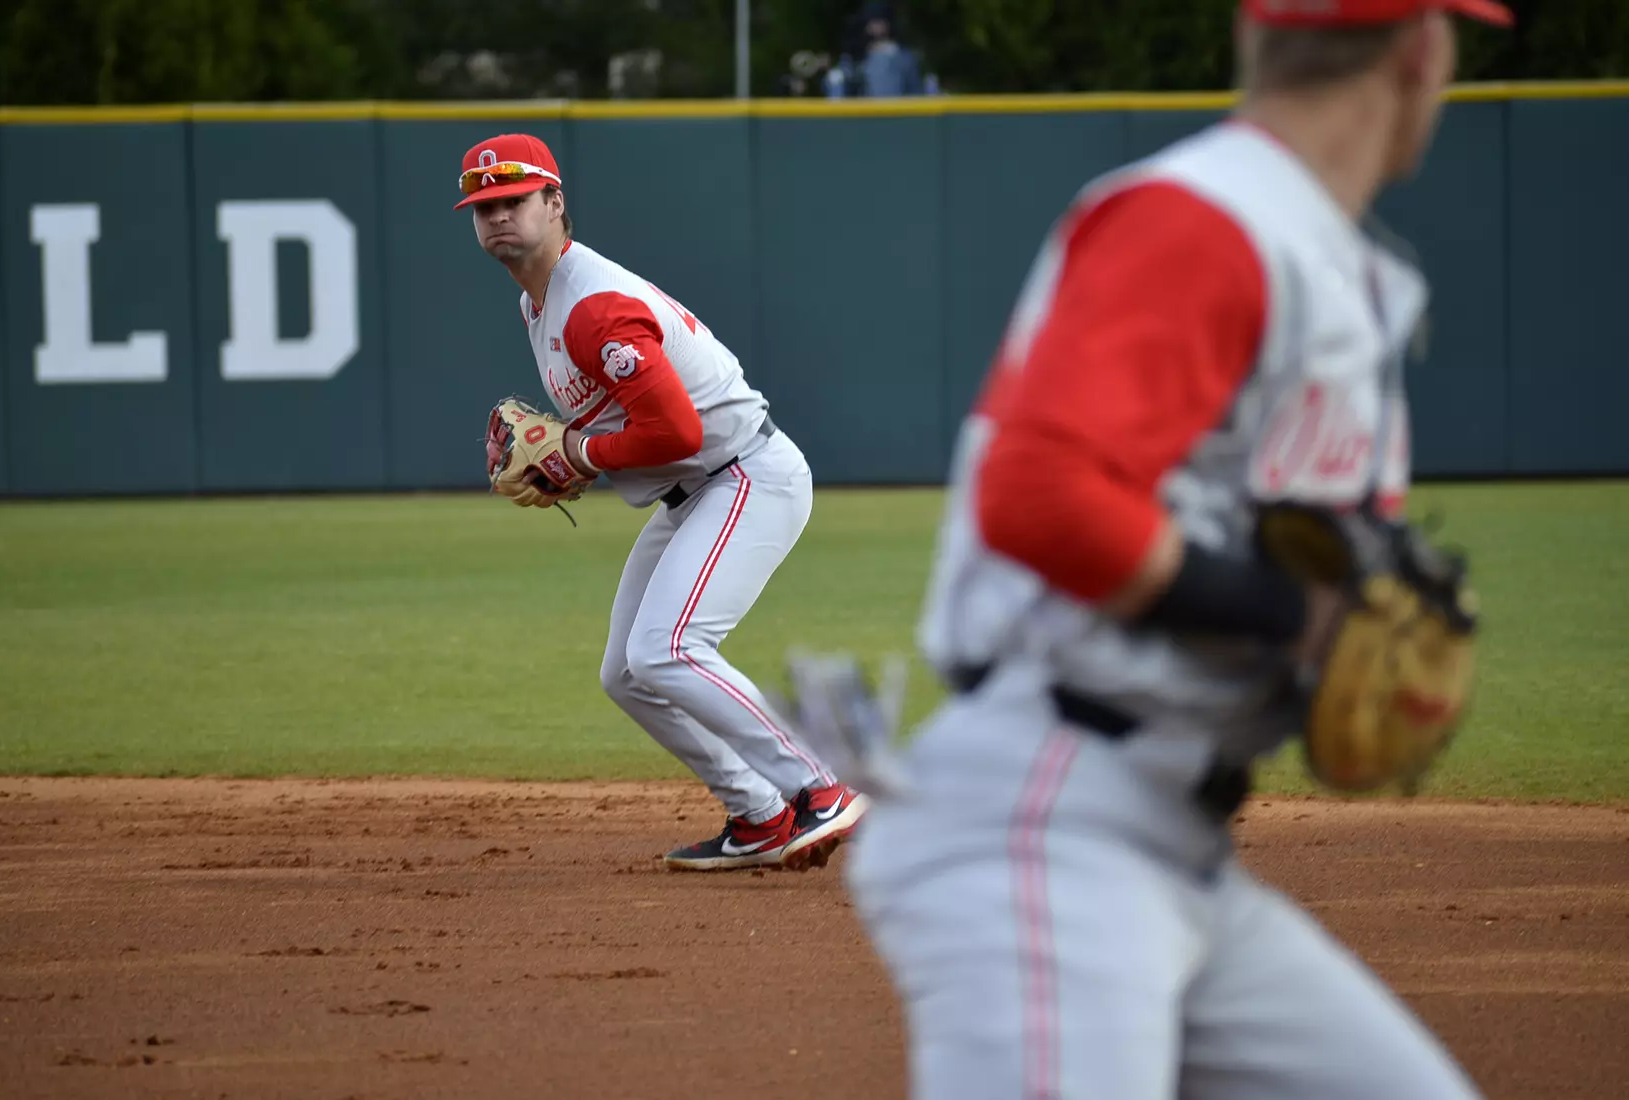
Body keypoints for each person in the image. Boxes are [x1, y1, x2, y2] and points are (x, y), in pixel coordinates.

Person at [824, 0, 1511, 1096]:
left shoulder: (1312, 249)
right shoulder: (1208, 218)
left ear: (1251, 42)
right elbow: (1039, 494)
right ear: (1425, 49)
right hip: (1047, 821)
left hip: (1173, 847)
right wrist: (1289, 616)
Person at [455, 133, 866, 873]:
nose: (499, 216)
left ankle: (821, 787)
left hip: (744, 475)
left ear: (555, 202)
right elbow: (635, 427)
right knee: (626, 672)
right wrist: (579, 452)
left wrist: (578, 453)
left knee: (668, 649)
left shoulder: (594, 308)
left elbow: (677, 431)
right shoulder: (537, 303)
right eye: (484, 207)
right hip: (695, 490)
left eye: (515, 199)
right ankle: (759, 814)